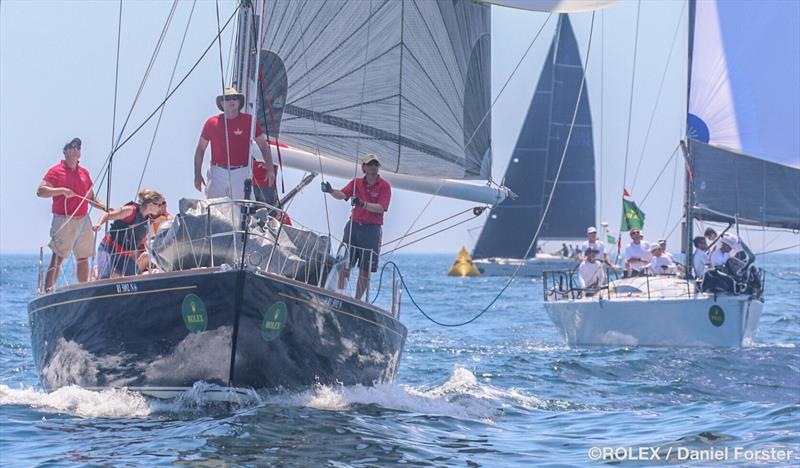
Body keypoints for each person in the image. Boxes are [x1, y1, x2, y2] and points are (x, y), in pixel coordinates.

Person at [37, 137, 107, 291]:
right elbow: (40, 191)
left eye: (79, 147)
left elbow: (91, 197)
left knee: (83, 258)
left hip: (83, 220)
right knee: (58, 257)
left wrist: (104, 208)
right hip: (64, 219)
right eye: (73, 146)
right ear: (65, 151)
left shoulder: (84, 173)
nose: (76, 149)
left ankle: (83, 290)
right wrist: (61, 191)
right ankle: (47, 290)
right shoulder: (55, 171)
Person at [321, 154, 391, 300]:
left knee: (365, 268)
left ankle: (358, 300)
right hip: (354, 227)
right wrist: (330, 190)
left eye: (375, 164)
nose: (373, 166)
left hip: (372, 230)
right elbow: (342, 195)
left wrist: (362, 204)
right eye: (370, 164)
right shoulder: (356, 183)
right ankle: (340, 294)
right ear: (363, 167)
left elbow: (381, 207)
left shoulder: (384, 186)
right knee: (345, 262)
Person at [194, 87, 276, 200]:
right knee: (212, 209)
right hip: (218, 172)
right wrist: (197, 174)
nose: (231, 101)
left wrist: (270, 169)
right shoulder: (212, 123)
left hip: (241, 172)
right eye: (227, 98)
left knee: (244, 209)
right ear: (222, 103)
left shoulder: (250, 121)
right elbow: (200, 149)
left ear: (239, 102)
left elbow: (263, 146)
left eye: (234, 98)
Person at [93, 190, 165, 279]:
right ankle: (97, 271)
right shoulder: (130, 210)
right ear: (150, 204)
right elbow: (108, 215)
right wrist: (99, 224)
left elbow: (153, 238)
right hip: (108, 249)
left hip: (124, 255)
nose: (160, 208)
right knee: (104, 277)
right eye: (159, 205)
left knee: (137, 277)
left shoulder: (148, 221)